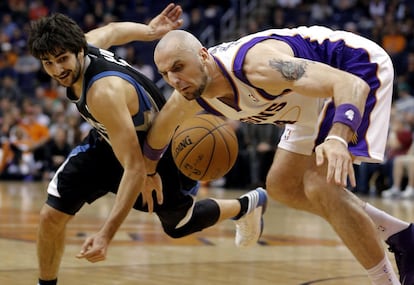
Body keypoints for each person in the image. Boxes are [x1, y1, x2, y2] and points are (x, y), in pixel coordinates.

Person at [143, 27, 414, 284]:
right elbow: (158, 135)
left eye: (178, 67)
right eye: (165, 74)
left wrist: (337, 139)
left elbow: (349, 85)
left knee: (321, 184)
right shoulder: (187, 94)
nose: (174, 80)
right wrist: (149, 172)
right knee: (282, 186)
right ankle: (402, 235)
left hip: (349, 68)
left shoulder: (256, 67)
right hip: (302, 99)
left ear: (203, 55)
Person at [27, 4, 268, 285]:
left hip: (151, 147)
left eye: (62, 59)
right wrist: (150, 31)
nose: (57, 70)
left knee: (180, 225)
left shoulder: (103, 93)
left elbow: (134, 168)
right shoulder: (86, 43)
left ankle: (246, 204)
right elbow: (113, 30)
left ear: (79, 50)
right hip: (107, 140)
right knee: (50, 216)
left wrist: (106, 234)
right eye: (48, 63)